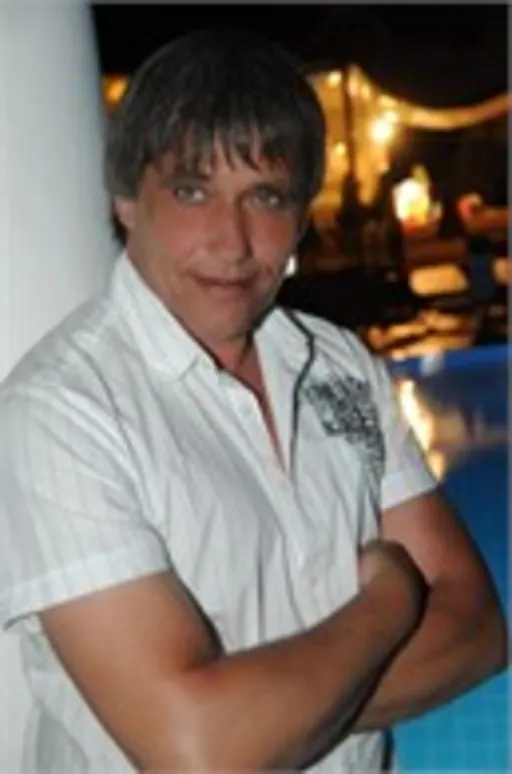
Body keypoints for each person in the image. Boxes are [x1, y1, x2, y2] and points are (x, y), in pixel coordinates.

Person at [0, 26, 506, 774]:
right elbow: (200, 750)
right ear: (126, 200)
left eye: (265, 196)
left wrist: (265, 715)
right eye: (192, 191)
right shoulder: (62, 411)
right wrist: (390, 603)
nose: (233, 242)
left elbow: (480, 628)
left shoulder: (337, 364)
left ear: (300, 215)